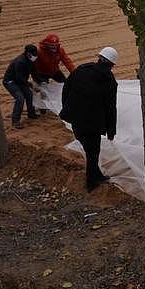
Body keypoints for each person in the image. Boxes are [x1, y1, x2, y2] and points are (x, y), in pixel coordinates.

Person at [59, 47, 118, 192]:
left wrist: (67, 109)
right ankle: (91, 182)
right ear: (111, 64)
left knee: (90, 150)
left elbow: (66, 89)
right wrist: (111, 129)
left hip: (76, 120)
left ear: (99, 58)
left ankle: (96, 174)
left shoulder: (81, 70)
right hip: (93, 124)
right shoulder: (109, 82)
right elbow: (111, 108)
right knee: (93, 152)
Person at [3, 44, 41, 129]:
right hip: (10, 82)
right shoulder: (20, 62)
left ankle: (31, 114)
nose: (35, 57)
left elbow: (34, 73)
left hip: (20, 81)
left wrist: (41, 82)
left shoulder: (31, 61)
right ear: (28, 54)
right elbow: (19, 78)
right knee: (20, 98)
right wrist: (31, 85)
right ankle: (15, 121)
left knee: (29, 95)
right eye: (33, 55)